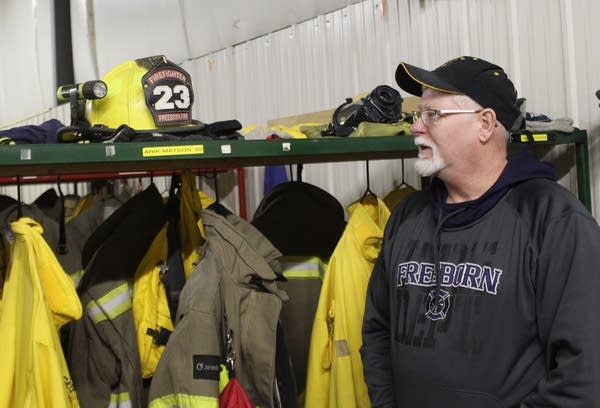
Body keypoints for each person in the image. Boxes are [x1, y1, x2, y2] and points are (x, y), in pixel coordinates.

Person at [360, 56, 600, 407]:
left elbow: (583, 373)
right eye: (418, 114)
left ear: (485, 124)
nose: (416, 127)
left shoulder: (553, 220)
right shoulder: (406, 217)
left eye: (433, 115)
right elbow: (377, 331)